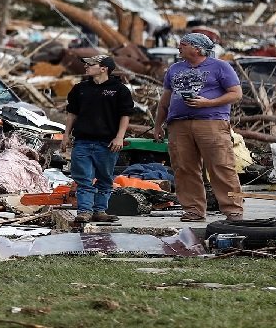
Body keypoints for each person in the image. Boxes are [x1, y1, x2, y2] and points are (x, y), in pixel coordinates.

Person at [152, 32, 245, 222]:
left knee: (221, 166)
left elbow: (236, 94)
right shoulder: (174, 69)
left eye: (183, 44)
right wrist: (158, 125)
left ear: (197, 48)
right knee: (184, 168)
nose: (179, 47)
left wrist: (208, 103)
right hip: (178, 124)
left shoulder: (220, 67)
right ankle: (193, 210)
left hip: (211, 122)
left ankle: (233, 210)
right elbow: (165, 99)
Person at [62, 54, 135, 223]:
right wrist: (66, 135)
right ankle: (85, 211)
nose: (86, 67)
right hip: (83, 141)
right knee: (84, 178)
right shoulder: (80, 89)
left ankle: (100, 210)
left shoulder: (119, 90)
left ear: (104, 68)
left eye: (90, 64)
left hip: (107, 143)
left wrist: (119, 137)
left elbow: (125, 114)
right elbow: (72, 113)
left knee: (105, 178)